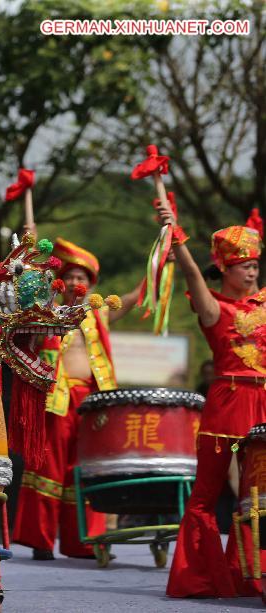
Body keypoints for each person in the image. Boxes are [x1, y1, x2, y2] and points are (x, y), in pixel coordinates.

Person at [155, 202, 266, 598]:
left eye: (255, 264)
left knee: (259, 496)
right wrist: (177, 237)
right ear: (225, 268)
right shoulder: (213, 308)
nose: (251, 270)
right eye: (243, 265)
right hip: (228, 400)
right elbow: (189, 274)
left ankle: (250, 575)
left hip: (263, 402)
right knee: (206, 493)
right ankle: (197, 578)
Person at [13, 235, 142, 560]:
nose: (75, 282)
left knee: (85, 470)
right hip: (57, 398)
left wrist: (161, 264)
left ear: (91, 283)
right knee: (49, 468)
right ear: (61, 281)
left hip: (91, 403)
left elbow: (133, 298)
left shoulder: (98, 315)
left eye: (81, 277)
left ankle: (85, 541)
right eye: (70, 276)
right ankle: (41, 540)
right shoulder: (47, 312)